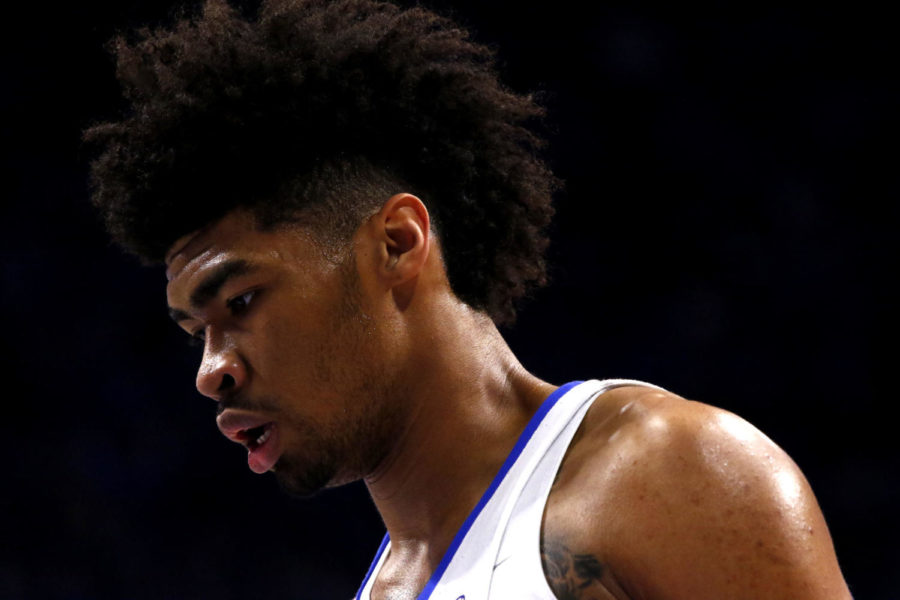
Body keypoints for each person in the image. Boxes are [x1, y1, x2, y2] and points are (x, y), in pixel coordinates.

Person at [84, 0, 853, 598]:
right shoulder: (386, 586)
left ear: (396, 245)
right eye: (196, 332)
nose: (210, 372)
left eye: (243, 301)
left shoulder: (667, 476)